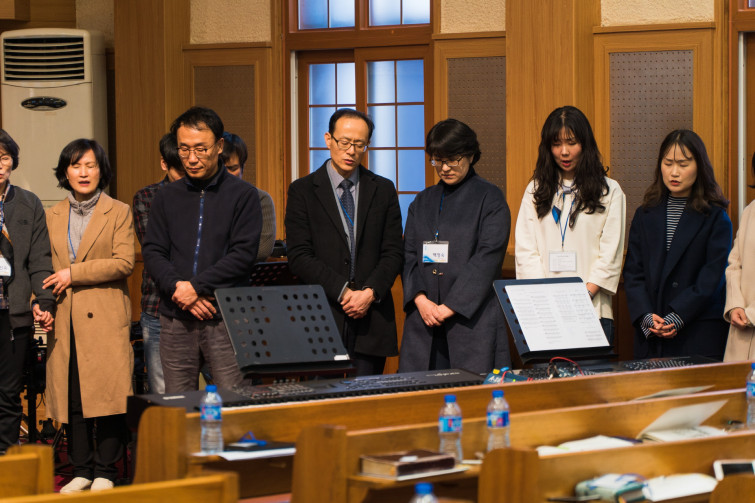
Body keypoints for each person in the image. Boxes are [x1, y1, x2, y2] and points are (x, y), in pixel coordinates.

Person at [142, 107, 261, 393]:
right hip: (176, 317)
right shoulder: (166, 196)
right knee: (178, 404)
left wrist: (195, 287)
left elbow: (242, 256)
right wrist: (180, 290)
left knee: (234, 401)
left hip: (227, 317)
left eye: (200, 149)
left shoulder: (244, 195)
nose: (192, 158)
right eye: (184, 149)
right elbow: (154, 252)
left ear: (219, 146)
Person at [43, 139, 134, 492]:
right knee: (74, 397)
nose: (83, 172)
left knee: (109, 396)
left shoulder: (119, 211)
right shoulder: (51, 214)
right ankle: (81, 468)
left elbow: (124, 262)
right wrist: (41, 303)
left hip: (106, 317)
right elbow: (43, 266)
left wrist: (73, 274)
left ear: (101, 171)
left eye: (91, 165)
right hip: (65, 317)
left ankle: (106, 471)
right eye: (76, 165)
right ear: (65, 172)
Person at [285, 108, 403, 376]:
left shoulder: (383, 189)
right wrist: (344, 292)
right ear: (328, 139)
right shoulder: (303, 190)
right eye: (345, 142)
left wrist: (370, 292)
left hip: (371, 317)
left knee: (367, 397)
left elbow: (393, 251)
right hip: (321, 315)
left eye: (359, 144)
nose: (351, 151)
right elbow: (299, 255)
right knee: (322, 397)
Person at [398, 119, 511, 373]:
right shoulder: (422, 200)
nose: (445, 168)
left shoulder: (490, 198)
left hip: (470, 321)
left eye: (453, 159)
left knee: (471, 391)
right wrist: (421, 300)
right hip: (424, 321)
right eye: (438, 160)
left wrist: (449, 307)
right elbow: (409, 255)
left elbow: (487, 258)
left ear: (470, 155)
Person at [515, 106, 626, 344]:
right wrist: (546, 300)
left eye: (572, 143)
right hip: (545, 312)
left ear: (585, 144)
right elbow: (526, 251)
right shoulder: (535, 190)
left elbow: (610, 254)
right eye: (556, 144)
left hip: (592, 309)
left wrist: (583, 297)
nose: (564, 152)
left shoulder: (609, 191)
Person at [623, 129, 732, 360]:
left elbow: (712, 277)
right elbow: (633, 272)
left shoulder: (715, 216)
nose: (674, 172)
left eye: (683, 164)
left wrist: (677, 316)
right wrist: (646, 317)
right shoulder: (645, 213)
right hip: (651, 333)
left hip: (697, 330)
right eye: (668, 163)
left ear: (699, 166)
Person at [0, 129, 55, 455]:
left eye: (4, 157)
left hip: (13, 312)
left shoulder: (28, 203)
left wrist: (44, 299)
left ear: (13, 162)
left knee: (9, 393)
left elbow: (39, 258)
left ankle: (6, 461)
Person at [132, 133, 184, 394]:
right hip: (158, 304)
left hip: (206, 304)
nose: (186, 175)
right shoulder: (146, 197)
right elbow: (156, 251)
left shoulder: (209, 194)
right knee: (163, 392)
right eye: (179, 170)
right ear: (164, 164)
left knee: (219, 390)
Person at [220, 132, 276, 262]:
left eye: (233, 168)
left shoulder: (261, 199)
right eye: (222, 169)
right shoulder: (204, 198)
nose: (227, 175)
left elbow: (263, 249)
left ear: (242, 167)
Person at [724, 153, 755, 361]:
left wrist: (751, 314)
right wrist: (735, 304)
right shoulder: (750, 210)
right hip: (742, 331)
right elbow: (734, 263)